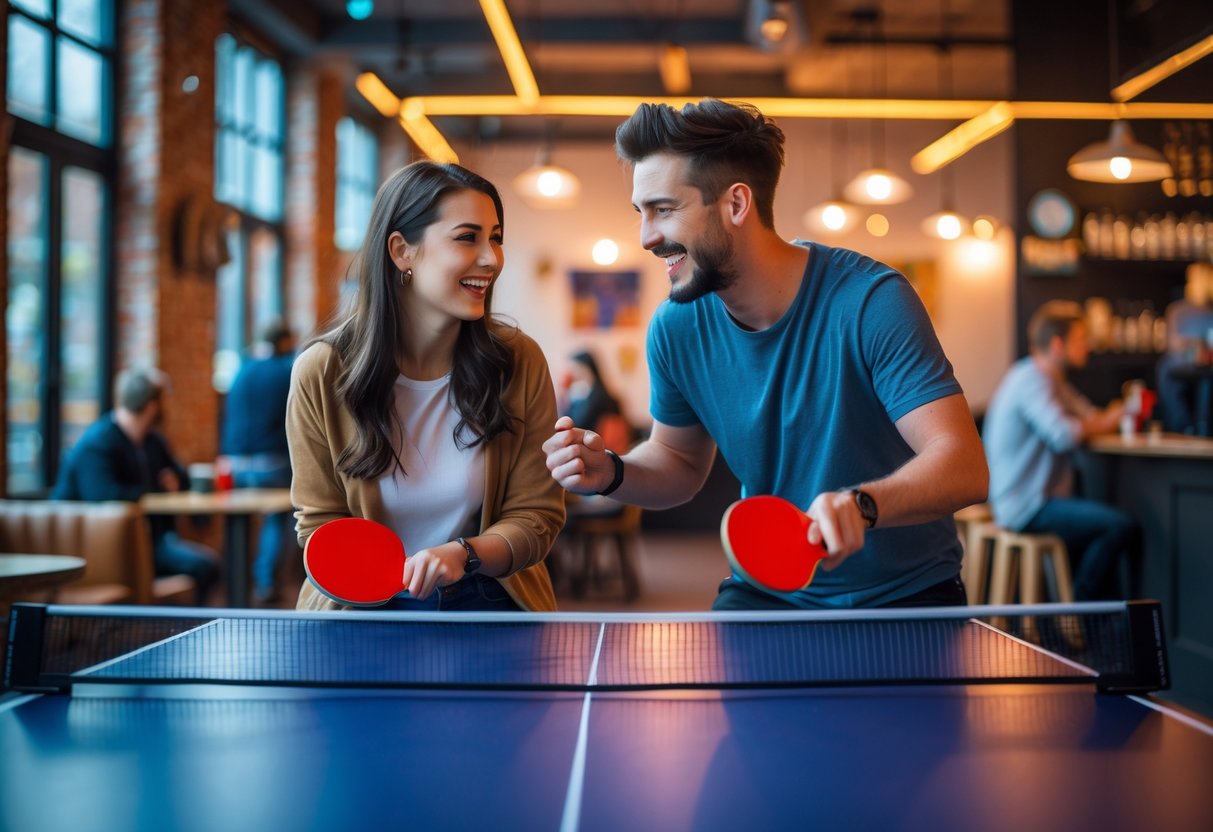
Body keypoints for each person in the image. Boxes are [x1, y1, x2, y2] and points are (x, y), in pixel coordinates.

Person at [543, 98, 988, 610]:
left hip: (904, 592)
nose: (646, 237)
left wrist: (863, 506)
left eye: (663, 210)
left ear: (736, 204)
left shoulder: (871, 300)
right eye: (641, 214)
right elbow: (678, 460)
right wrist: (614, 472)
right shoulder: (675, 327)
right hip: (768, 588)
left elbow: (964, 467)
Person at [287, 160, 564, 612]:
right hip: (362, 604)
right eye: (467, 237)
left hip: (487, 595)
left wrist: (464, 554)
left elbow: (537, 517)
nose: (492, 258)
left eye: (495, 238)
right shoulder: (321, 371)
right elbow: (320, 526)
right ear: (401, 251)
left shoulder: (519, 361)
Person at [983, 300, 1138, 600]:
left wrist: (1108, 418)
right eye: (1081, 339)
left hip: (1031, 499)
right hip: (1026, 505)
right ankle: (1078, 611)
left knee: (1105, 524)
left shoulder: (1052, 381)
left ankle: (1080, 612)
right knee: (1119, 526)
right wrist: (1111, 419)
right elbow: (1064, 435)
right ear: (1057, 344)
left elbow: (1089, 416)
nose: (1088, 345)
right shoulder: (1032, 380)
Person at [52, 367, 220, 603]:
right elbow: (105, 497)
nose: (168, 407)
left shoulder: (152, 441)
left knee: (208, 566)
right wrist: (160, 490)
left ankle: (184, 629)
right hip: (97, 551)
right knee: (205, 568)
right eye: (165, 401)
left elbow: (180, 476)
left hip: (150, 541)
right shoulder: (97, 444)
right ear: (152, 406)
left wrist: (174, 482)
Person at [221, 317, 297, 603]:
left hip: (235, 461)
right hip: (272, 462)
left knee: (237, 521)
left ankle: (234, 579)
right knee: (278, 520)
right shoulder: (285, 371)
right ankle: (267, 583)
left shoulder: (241, 370)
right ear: (284, 342)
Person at [1157, 262, 1213, 435]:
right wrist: (1195, 346)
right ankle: (1182, 425)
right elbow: (1172, 343)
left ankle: (1205, 427)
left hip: (1209, 358)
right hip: (1184, 358)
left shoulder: (1210, 310)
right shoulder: (1177, 310)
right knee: (1165, 366)